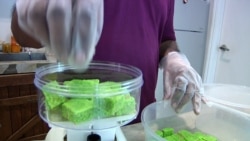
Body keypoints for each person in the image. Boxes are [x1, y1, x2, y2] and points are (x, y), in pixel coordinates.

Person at [11, 0, 203, 123]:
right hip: (78, 120)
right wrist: (33, 9)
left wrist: (175, 59)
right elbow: (23, 36)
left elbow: (165, 38)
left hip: (137, 117)